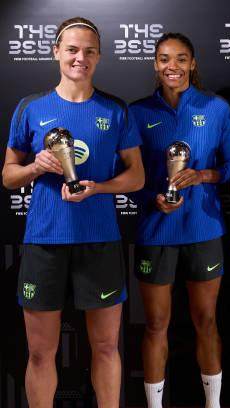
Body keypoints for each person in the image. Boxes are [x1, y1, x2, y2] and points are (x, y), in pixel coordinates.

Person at [2, 17, 144, 408]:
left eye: (89, 51)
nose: (80, 58)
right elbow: (8, 176)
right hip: (45, 241)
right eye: (72, 50)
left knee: (106, 347)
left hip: (99, 240)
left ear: (98, 56)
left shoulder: (115, 110)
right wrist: (35, 167)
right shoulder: (31, 108)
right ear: (56, 53)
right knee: (39, 352)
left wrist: (99, 188)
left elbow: (136, 177)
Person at [129, 32, 230, 408]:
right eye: (164, 59)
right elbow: (128, 175)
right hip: (155, 230)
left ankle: (213, 404)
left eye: (180, 59)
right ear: (155, 64)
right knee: (156, 324)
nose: (171, 66)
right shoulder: (137, 112)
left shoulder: (216, 108)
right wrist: (152, 198)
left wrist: (204, 175)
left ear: (192, 63)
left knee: (206, 320)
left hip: (203, 227)